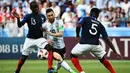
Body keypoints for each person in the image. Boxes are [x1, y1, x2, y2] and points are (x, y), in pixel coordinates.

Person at [70, 8, 123, 73]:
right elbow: (107, 39)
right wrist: (115, 51)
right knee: (102, 59)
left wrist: (77, 36)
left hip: (84, 44)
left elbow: (78, 25)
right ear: (97, 15)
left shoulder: (85, 18)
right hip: (96, 45)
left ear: (90, 13)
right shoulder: (100, 24)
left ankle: (82, 72)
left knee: (73, 55)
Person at [13, 1, 51, 73]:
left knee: (50, 48)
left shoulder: (43, 16)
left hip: (40, 38)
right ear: (31, 8)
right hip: (30, 39)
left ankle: (50, 69)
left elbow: (46, 28)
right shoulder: (28, 16)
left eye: (37, 6)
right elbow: (20, 25)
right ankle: (17, 70)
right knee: (23, 58)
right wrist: (18, 19)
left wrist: (47, 38)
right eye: (34, 7)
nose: (36, 8)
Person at [41, 8, 76, 73]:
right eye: (49, 16)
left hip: (62, 46)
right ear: (46, 16)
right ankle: (72, 71)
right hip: (53, 47)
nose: (51, 17)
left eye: (52, 15)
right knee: (59, 58)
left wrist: (50, 33)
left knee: (61, 61)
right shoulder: (44, 25)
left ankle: (54, 70)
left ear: (54, 14)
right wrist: (47, 40)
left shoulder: (60, 22)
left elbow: (61, 34)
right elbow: (43, 36)